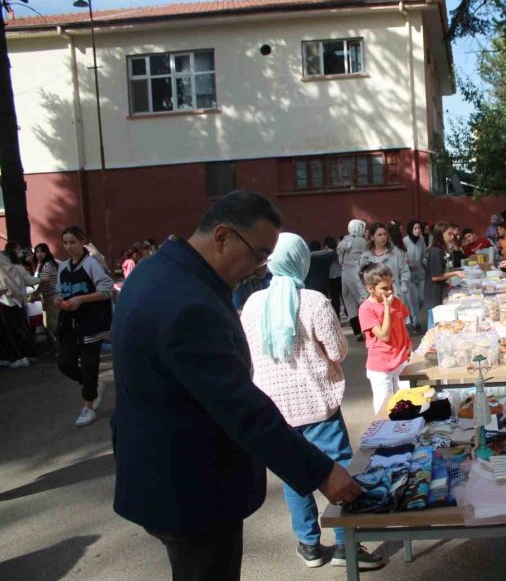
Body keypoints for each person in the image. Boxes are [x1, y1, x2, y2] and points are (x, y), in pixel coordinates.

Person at [112, 191, 360, 581]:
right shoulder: (187, 300)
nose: (262, 269)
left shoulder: (158, 271)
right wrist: (321, 471)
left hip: (165, 476)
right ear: (223, 237)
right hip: (191, 490)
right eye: (259, 254)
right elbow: (238, 406)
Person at [241, 233, 386, 570]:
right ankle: (346, 545)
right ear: (301, 261)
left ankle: (308, 544)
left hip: (274, 409)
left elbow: (249, 354)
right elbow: (337, 350)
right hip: (318, 405)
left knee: (295, 474)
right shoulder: (314, 301)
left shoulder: (252, 304)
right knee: (340, 470)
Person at [56, 226, 114, 425]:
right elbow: (61, 291)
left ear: (82, 241)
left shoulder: (91, 264)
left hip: (92, 322)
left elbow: (106, 290)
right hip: (70, 323)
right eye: (65, 243)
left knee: (90, 365)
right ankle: (93, 385)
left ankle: (88, 406)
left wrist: (82, 299)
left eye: (73, 242)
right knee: (64, 362)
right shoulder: (63, 267)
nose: (69, 246)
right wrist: (60, 301)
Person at [358, 262, 413, 413]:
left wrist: (409, 344)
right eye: (384, 288)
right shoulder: (366, 309)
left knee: (408, 405)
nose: (389, 292)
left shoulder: (395, 301)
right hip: (381, 368)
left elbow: (402, 324)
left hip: (401, 360)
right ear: (370, 288)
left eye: (391, 286)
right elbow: (383, 335)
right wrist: (387, 308)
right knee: (385, 409)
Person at [358, 223, 411, 328]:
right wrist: (365, 295)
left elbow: (405, 271)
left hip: (394, 295)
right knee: (381, 328)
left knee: (397, 327)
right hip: (375, 298)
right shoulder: (366, 257)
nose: (383, 237)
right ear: (372, 237)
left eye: (384, 234)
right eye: (379, 235)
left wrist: (403, 288)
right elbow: (360, 279)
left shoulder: (396, 252)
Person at [0, 249, 40, 368]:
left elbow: (6, 284)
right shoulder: (11, 265)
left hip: (8, 300)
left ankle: (19, 357)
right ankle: (10, 356)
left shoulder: (8, 265)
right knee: (12, 330)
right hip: (12, 300)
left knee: (12, 331)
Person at [423, 221, 466, 326]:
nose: (452, 236)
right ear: (440, 235)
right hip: (433, 294)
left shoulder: (440, 250)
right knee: (434, 323)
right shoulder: (435, 252)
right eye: (449, 234)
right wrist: (455, 273)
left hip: (440, 292)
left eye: (452, 233)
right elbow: (435, 277)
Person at [337, 219, 368, 341]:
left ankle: (357, 333)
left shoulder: (344, 240)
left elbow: (340, 261)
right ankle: (368, 329)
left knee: (349, 302)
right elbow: (367, 257)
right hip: (357, 273)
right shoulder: (361, 241)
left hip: (344, 274)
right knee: (364, 300)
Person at [33, 243, 61, 352]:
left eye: (42, 251)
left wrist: (35, 294)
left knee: (52, 324)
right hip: (47, 296)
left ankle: (60, 349)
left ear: (47, 252)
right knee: (48, 324)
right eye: (37, 251)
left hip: (52, 296)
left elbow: (44, 282)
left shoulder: (48, 265)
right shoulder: (43, 264)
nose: (39, 254)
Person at [403, 221, 427, 334]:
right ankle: (416, 323)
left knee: (421, 299)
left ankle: (413, 315)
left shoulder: (422, 240)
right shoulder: (405, 241)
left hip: (421, 274)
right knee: (413, 300)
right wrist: (407, 264)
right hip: (409, 276)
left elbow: (424, 254)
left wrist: (425, 261)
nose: (417, 230)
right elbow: (401, 257)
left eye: (419, 228)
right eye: (415, 228)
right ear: (410, 230)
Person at [323, 236, 343, 318]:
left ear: (326, 246)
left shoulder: (326, 254)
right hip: (341, 277)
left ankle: (337, 317)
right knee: (345, 298)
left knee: (335, 300)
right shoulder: (338, 252)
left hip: (332, 279)